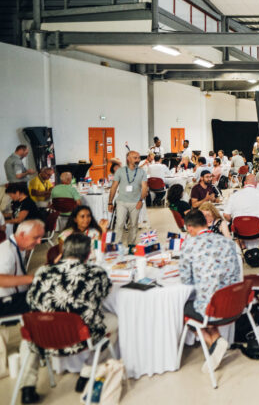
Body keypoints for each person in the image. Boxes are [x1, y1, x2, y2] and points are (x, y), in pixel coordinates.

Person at [25, 234, 115, 396]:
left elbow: (30, 299)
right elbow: (104, 293)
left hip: (43, 337)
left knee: (31, 330)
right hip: (79, 338)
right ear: (88, 254)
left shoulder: (42, 271)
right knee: (115, 321)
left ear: (63, 252)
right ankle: (86, 373)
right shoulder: (96, 272)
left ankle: (28, 386)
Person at [179, 210, 241, 372]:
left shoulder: (189, 245)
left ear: (190, 228)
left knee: (184, 307)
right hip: (234, 303)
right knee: (207, 299)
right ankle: (216, 340)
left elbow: (185, 280)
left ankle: (213, 341)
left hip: (211, 309)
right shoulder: (227, 242)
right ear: (206, 223)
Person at [0, 220, 44, 404]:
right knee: (41, 316)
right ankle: (28, 383)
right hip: (4, 303)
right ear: (22, 234)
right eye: (36, 237)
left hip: (12, 298)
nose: (40, 242)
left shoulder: (16, 247)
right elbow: (1, 279)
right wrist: (32, 279)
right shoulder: (6, 252)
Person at [223, 173, 259, 244]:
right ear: (256, 184)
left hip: (239, 231)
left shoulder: (234, 196)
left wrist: (233, 220)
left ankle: (241, 244)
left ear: (244, 183)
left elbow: (226, 215)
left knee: (229, 227)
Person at [107, 150, 148, 246]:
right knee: (119, 224)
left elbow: (144, 187)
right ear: (128, 159)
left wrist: (141, 200)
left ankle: (131, 245)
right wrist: (110, 202)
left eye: (138, 158)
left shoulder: (142, 172)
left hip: (136, 202)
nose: (138, 160)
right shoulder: (120, 171)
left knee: (133, 225)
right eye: (135, 158)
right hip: (122, 202)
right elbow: (114, 187)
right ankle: (116, 245)